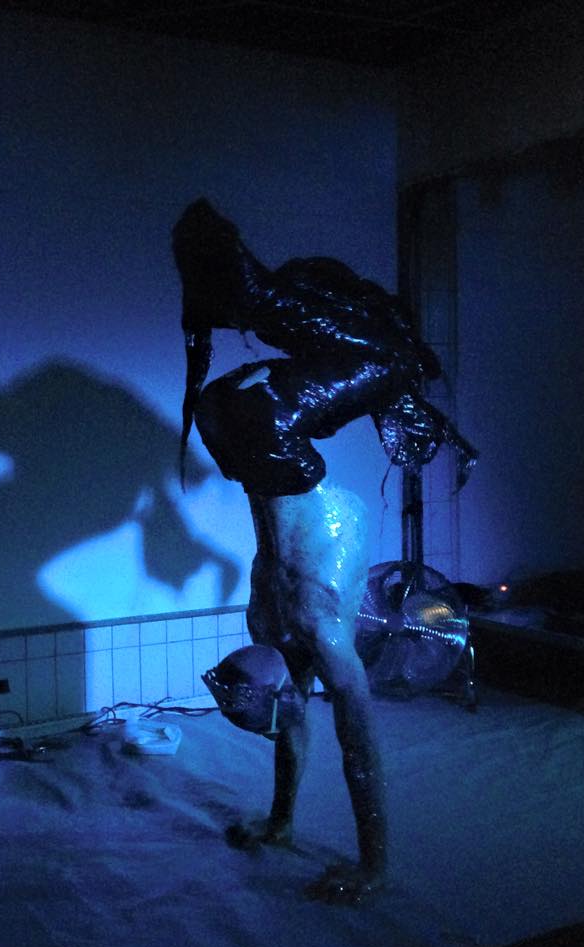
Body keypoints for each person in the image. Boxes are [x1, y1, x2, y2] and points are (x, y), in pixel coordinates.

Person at [173, 198, 475, 904]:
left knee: (227, 406)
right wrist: (284, 823)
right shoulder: (298, 623)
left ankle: (262, 297)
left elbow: (342, 737)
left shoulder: (280, 617)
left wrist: (367, 866)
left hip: (301, 491)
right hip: (305, 491)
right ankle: (290, 826)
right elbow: (330, 732)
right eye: (253, 690)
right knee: (236, 407)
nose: (247, 675)